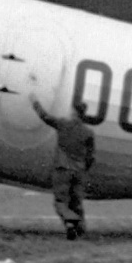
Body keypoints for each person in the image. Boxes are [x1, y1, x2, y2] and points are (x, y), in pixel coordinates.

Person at [31, 96, 96, 240]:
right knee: (76, 201)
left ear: (73, 112)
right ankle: (81, 227)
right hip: (79, 171)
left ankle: (70, 224)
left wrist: (35, 103)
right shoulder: (88, 132)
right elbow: (91, 157)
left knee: (61, 201)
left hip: (63, 168)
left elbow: (45, 117)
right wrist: (85, 169)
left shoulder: (63, 124)